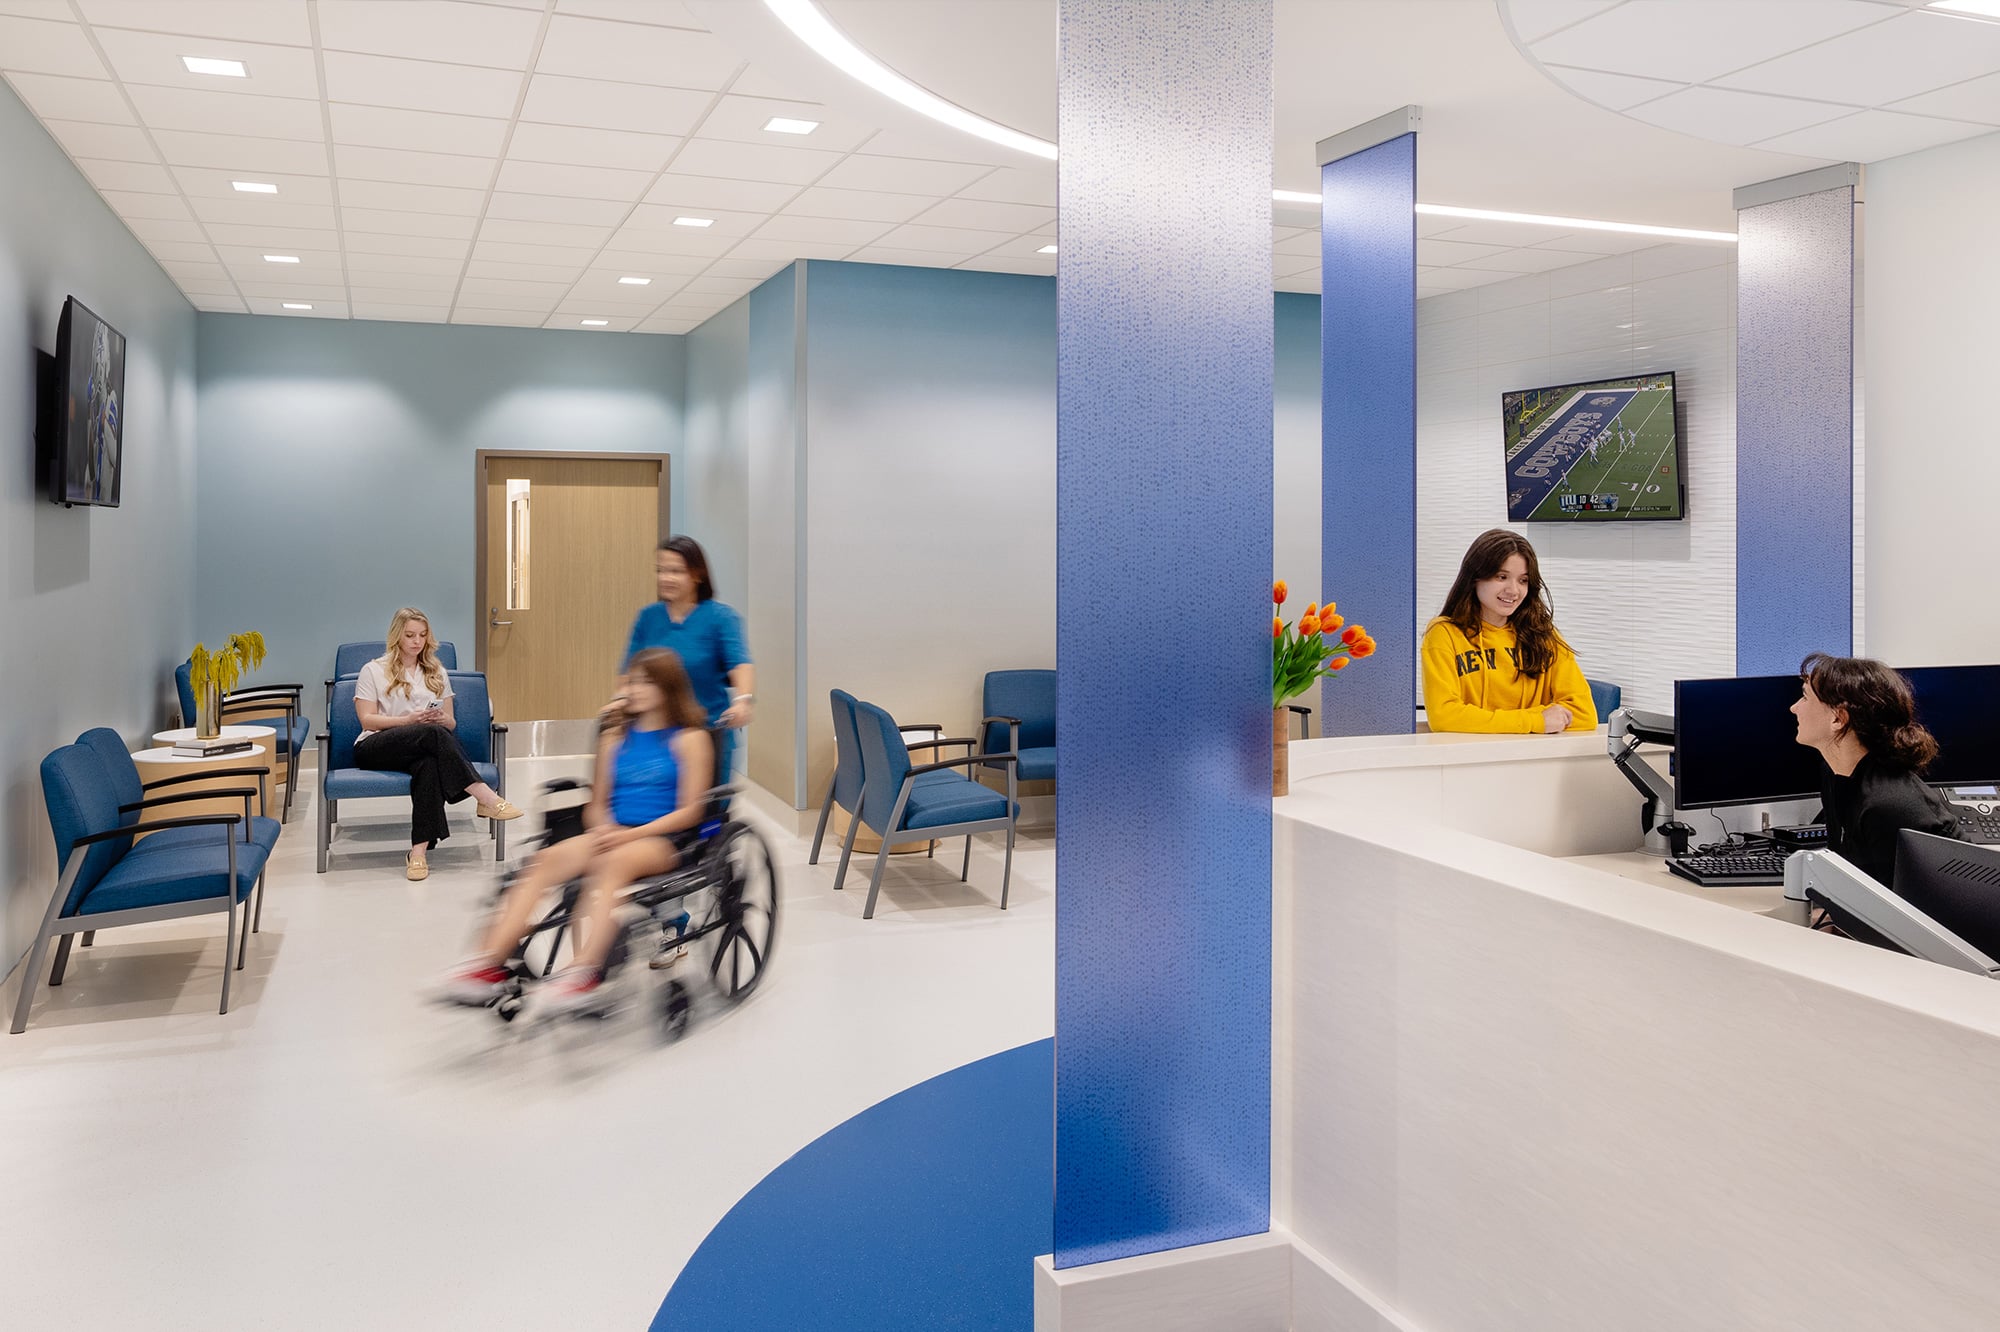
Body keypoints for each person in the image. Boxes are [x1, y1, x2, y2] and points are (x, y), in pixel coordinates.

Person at [436, 649, 715, 1015]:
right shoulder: (615, 737)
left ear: (668, 688)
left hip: (662, 840)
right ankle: (487, 964)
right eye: (633, 680)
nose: (635, 688)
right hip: (614, 832)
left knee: (611, 865)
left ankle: (584, 972)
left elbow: (691, 811)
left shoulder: (691, 739)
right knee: (542, 862)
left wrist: (627, 836)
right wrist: (603, 828)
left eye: (647, 682)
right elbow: (597, 803)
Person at [353, 607, 522, 881]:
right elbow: (367, 720)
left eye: (422, 635)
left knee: (429, 763)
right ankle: (484, 796)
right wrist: (408, 721)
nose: (417, 641)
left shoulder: (436, 671)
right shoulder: (373, 670)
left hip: (421, 745)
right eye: (410, 635)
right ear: (397, 636)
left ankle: (418, 854)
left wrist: (442, 719)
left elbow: (451, 723)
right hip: (375, 745)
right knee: (430, 734)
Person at [1791, 653, 1961, 890]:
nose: (1794, 708)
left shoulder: (1886, 803)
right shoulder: (1835, 773)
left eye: (1805, 697)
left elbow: (1898, 904)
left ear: (1838, 719)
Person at [1421, 529, 1597, 734]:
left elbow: (1584, 714)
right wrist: (1537, 720)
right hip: (1470, 752)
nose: (1513, 590)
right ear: (1475, 578)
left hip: (1531, 752)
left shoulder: (1545, 636)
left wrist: (1487, 721)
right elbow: (1444, 716)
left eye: (1523, 580)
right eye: (1501, 577)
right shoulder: (1444, 634)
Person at [623, 535, 753, 781]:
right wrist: (621, 700)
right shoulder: (648, 617)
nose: (665, 578)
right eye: (661, 570)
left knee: (703, 801)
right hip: (656, 735)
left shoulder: (721, 618)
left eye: (676, 571)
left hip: (706, 731)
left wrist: (743, 701)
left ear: (697, 575)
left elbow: (740, 664)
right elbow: (628, 673)